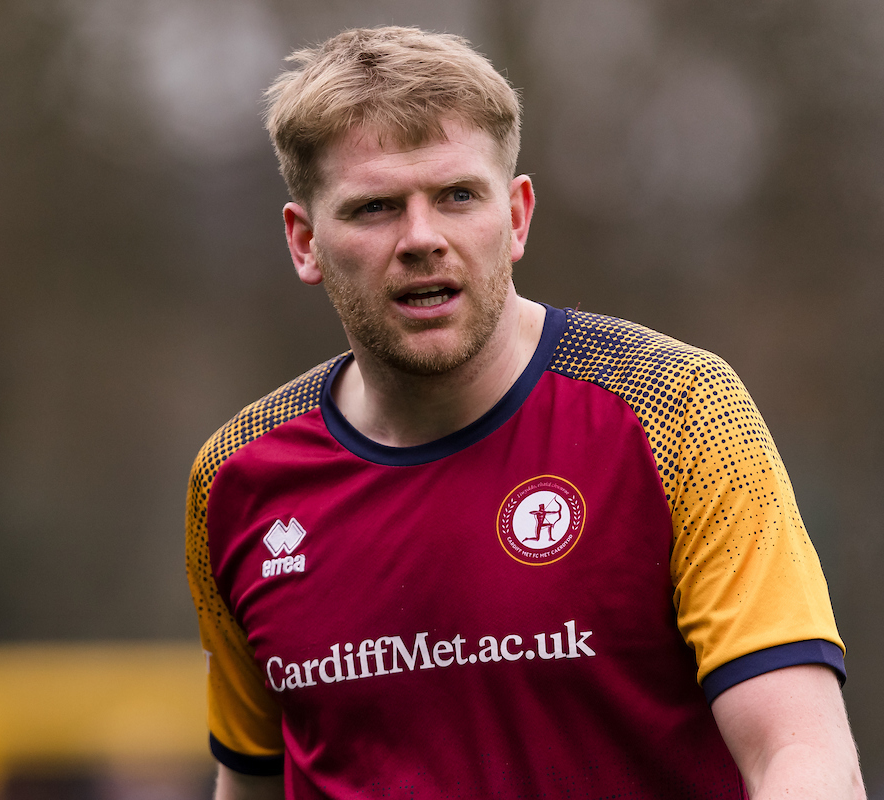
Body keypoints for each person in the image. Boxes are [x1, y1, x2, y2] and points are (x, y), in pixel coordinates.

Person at [185, 26, 864, 799]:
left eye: (457, 196)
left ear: (515, 216)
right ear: (305, 241)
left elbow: (804, 757)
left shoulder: (680, 412)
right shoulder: (237, 478)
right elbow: (249, 782)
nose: (421, 238)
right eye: (374, 208)